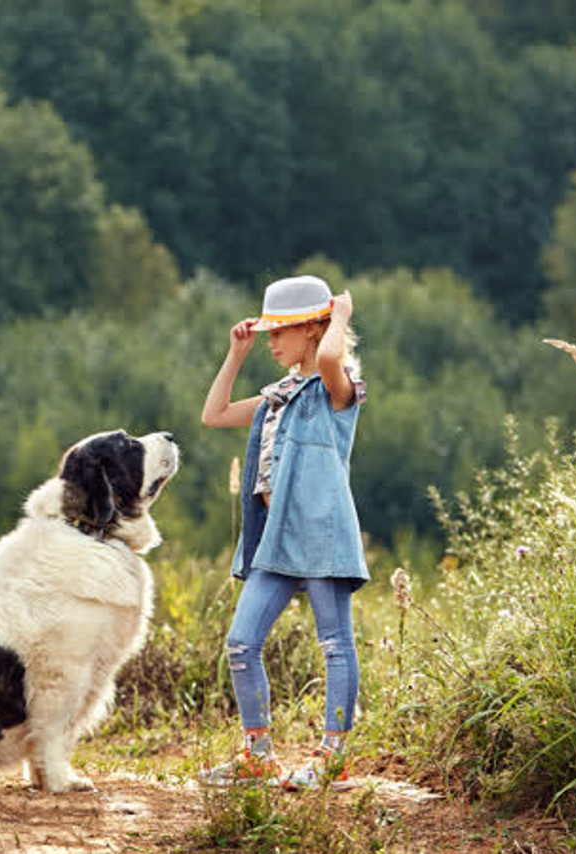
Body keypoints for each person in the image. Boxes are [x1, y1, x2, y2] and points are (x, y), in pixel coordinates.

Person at [197, 274, 369, 790]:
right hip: (274, 538)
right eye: (268, 333)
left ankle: (332, 756)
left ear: (313, 330)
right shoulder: (279, 394)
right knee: (241, 643)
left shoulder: (336, 390)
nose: (271, 341)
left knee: (335, 643)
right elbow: (215, 414)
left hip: (320, 534)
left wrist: (340, 316)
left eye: (281, 332)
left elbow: (332, 360)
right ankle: (258, 756)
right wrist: (237, 354)